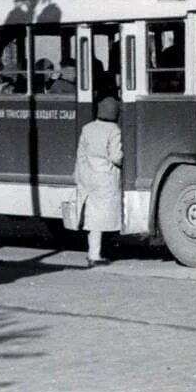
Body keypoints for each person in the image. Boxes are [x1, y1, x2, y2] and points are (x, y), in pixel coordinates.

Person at [74, 97, 123, 267]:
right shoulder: (114, 130)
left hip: (88, 175)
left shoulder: (87, 128)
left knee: (92, 216)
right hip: (105, 177)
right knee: (102, 217)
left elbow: (81, 154)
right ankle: (95, 255)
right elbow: (116, 157)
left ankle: (93, 253)